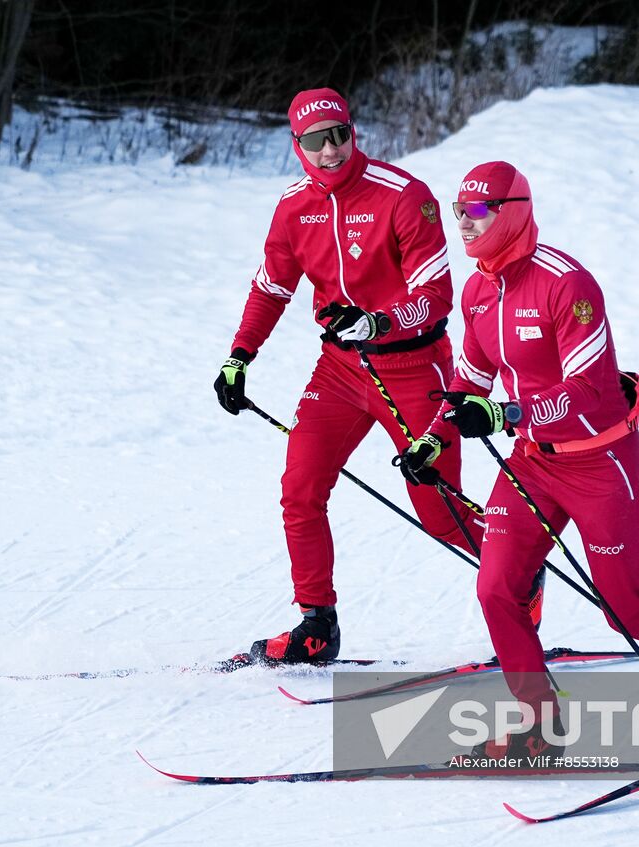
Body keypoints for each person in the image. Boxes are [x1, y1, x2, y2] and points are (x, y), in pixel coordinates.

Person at [398, 160, 639, 756]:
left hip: (599, 461)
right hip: (534, 460)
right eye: (459, 212)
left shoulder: (567, 283)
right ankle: (539, 724)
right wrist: (432, 439)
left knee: (625, 608)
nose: (464, 224)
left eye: (476, 212)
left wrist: (506, 416)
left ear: (512, 213)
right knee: (497, 588)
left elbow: (590, 392)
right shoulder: (480, 290)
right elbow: (468, 384)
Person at [213, 87, 519, 665]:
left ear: (353, 131)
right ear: (296, 145)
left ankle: (519, 572)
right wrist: (239, 356)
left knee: (440, 513)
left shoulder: (404, 196)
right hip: (339, 371)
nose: (329, 151)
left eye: (339, 135)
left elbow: (436, 297)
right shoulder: (293, 207)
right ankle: (316, 625)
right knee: (300, 490)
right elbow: (272, 287)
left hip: (414, 368)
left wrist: (377, 323)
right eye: (314, 141)